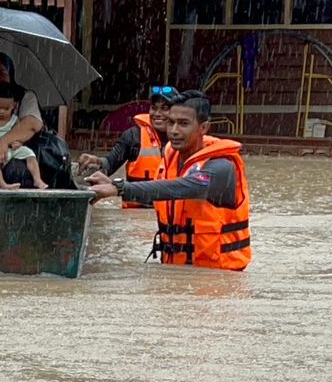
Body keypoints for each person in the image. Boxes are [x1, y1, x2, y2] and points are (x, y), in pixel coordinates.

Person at [87, 90, 251, 271]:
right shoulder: (170, 158)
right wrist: (105, 181)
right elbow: (155, 194)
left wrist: (119, 188)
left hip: (217, 283)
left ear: (203, 128)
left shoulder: (221, 167)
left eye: (183, 124)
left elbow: (184, 188)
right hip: (174, 273)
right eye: (171, 122)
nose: (174, 131)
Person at [77, 86, 179, 208]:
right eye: (154, 108)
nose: (157, 114)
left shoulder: (184, 139)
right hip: (137, 213)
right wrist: (96, 161)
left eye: (164, 108)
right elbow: (109, 164)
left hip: (170, 214)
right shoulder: (133, 136)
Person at [0, 82, 48, 190]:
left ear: (14, 105)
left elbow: (21, 132)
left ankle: (37, 179)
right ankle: (2, 184)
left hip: (12, 150)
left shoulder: (15, 120)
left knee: (30, 154)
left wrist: (17, 143)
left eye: (6, 108)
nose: (2, 112)